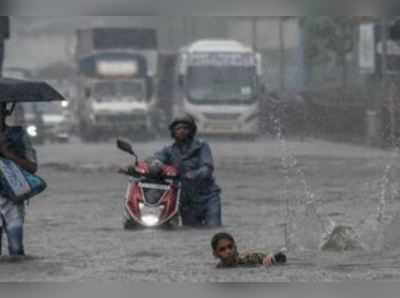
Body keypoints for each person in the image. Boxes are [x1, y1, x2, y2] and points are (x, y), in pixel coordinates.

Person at [151, 113, 222, 227]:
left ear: (191, 130)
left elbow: (207, 168)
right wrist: (155, 165)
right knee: (191, 229)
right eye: (178, 128)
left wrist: (193, 174)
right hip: (186, 201)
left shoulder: (202, 146)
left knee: (213, 227)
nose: (182, 131)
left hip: (208, 197)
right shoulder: (169, 150)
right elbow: (157, 159)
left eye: (185, 128)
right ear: (173, 132)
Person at [0, 102, 38, 257]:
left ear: (5, 113)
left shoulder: (19, 135)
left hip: (13, 201)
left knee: (16, 250)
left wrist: (7, 154)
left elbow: (32, 167)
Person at [211, 232, 287, 268]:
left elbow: (282, 257)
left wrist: (272, 258)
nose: (228, 251)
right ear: (215, 254)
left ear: (235, 247)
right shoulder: (218, 268)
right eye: (222, 249)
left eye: (230, 247)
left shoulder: (249, 259)